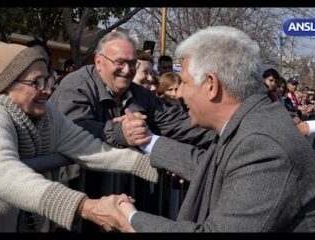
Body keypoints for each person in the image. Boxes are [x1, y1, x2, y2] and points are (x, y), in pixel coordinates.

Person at [95, 26, 315, 232]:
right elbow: (208, 165)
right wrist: (145, 140)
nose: (180, 93)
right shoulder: (253, 123)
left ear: (210, 85)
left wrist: (128, 218)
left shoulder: (265, 147)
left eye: (185, 82)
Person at [0, 37, 158, 232]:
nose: (47, 90)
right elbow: (1, 172)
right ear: (6, 86)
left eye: (49, 79)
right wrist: (87, 207)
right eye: (37, 82)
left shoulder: (46, 116)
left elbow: (90, 148)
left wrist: (154, 165)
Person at [49, 31, 214, 228]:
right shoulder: (75, 85)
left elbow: (178, 124)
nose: (127, 71)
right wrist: (119, 132)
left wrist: (226, 131)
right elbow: (74, 129)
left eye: (132, 63)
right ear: (99, 61)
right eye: (119, 62)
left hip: (124, 197)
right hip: (77, 193)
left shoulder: (141, 95)